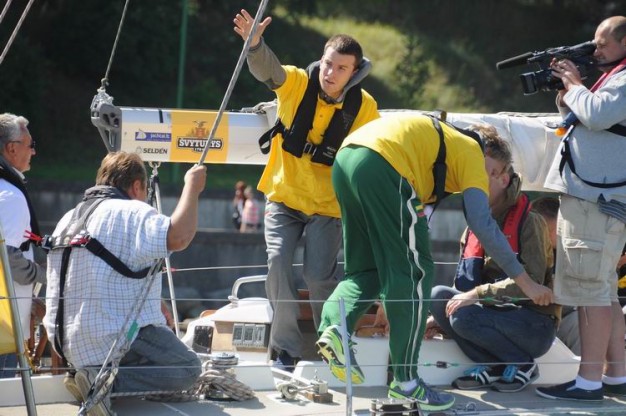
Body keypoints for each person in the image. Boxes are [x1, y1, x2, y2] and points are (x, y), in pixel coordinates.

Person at [315, 113, 553, 412]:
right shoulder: (471, 151)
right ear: (486, 156)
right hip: (383, 164)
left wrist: (392, 300)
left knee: (367, 270)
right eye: (491, 171)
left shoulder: (438, 152)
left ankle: (334, 329)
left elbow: (403, 242)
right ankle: (406, 382)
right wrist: (525, 282)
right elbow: (480, 222)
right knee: (417, 272)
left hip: (346, 160)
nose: (486, 179)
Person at [233, 9, 380, 369]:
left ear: (354, 72)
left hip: (328, 207)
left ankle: (330, 345)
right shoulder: (298, 83)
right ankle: (285, 350)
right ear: (321, 60)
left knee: (318, 277)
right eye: (328, 64)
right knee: (277, 263)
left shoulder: (365, 107)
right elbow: (270, 71)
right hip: (284, 197)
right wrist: (255, 45)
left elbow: (374, 153)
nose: (331, 73)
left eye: (341, 68)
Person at [43, 152, 206, 415]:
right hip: (110, 335)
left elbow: (100, 274)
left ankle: (87, 374)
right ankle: (104, 383)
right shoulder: (131, 211)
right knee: (187, 369)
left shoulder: (69, 218)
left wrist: (155, 301)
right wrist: (192, 187)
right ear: (137, 186)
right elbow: (179, 237)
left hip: (68, 344)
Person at [426, 132, 559, 393]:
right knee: (439, 297)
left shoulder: (530, 222)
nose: (471, 180)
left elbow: (531, 285)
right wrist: (437, 318)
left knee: (462, 316)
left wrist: (476, 294)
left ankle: (522, 364)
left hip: (533, 325)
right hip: (490, 317)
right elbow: (460, 291)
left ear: (503, 178)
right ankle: (495, 366)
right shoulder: (473, 227)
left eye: (481, 173)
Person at [536, 16, 626, 402]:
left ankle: (588, 382)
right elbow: (584, 119)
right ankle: (616, 375)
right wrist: (567, 93)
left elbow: (598, 114)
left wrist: (574, 84)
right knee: (603, 292)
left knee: (590, 294)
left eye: (603, 44)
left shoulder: (624, 79)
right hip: (599, 201)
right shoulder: (613, 78)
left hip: (595, 203)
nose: (595, 50)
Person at [0, 113, 46, 378]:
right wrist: (42, 273)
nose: (34, 152)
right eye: (31, 145)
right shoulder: (10, 195)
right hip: (5, 324)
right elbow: (6, 259)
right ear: (12, 148)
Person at [533, 197, 581, 355]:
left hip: (563, 318)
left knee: (581, 323)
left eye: (550, 231)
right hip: (531, 320)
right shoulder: (523, 250)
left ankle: (588, 369)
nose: (543, 237)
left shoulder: (571, 252)